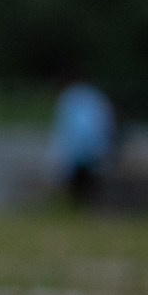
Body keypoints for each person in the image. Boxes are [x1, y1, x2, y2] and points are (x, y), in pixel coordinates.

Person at [50, 72, 115, 206]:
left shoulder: (69, 98)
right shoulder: (95, 97)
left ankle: (77, 209)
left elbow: (66, 128)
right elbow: (103, 124)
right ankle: (88, 209)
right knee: (90, 184)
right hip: (91, 149)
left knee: (78, 186)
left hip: (76, 150)